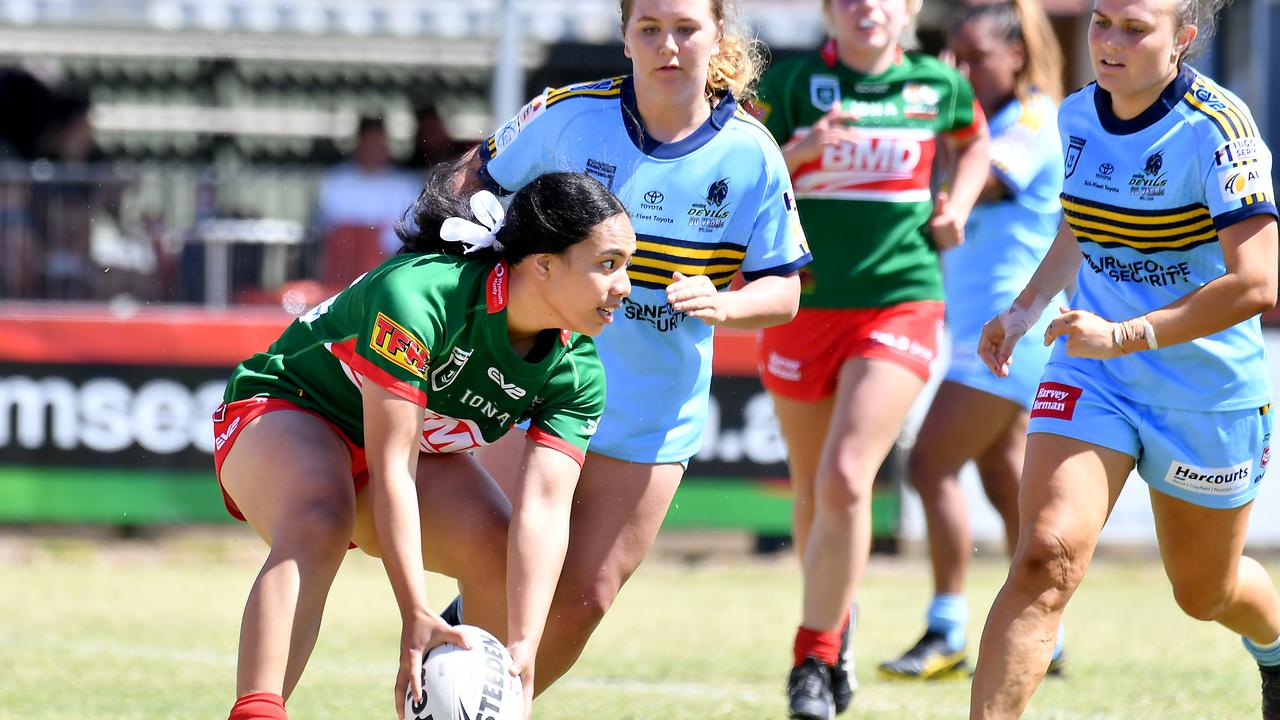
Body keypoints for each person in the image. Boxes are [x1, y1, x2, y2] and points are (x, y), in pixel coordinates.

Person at [441, 0, 811, 698]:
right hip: (534, 383)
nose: (668, 44)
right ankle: (460, 702)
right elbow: (473, 181)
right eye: (649, 28)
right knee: (502, 562)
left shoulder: (752, 153)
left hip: (651, 411)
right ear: (624, 37)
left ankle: (485, 698)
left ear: (716, 35)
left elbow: (784, 292)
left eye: (686, 28)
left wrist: (724, 303)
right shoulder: (568, 115)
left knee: (585, 600)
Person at [214, 167, 635, 720]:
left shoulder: (577, 371)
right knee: (321, 514)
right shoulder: (419, 294)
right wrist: (414, 611)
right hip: (286, 409)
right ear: (545, 264)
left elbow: (545, 509)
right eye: (608, 265)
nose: (624, 286)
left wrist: (526, 644)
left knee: (496, 556)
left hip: (400, 458)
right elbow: (393, 468)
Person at [968, 0, 1280, 715]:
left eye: (1135, 28)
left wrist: (1130, 332)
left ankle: (1277, 648)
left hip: (1205, 393)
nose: (1109, 42)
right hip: (1094, 370)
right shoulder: (1077, 115)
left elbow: (1258, 283)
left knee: (1207, 592)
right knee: (1045, 554)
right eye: (1101, 21)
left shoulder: (1220, 132)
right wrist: (1023, 309)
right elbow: (1081, 224)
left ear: (1183, 40)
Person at [751, 0, 992, 715]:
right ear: (829, 10)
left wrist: (959, 202)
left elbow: (976, 142)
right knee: (811, 489)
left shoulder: (938, 84)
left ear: (911, 8)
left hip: (903, 300)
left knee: (848, 477)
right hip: (802, 302)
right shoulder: (793, 82)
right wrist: (799, 150)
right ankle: (838, 617)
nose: (867, 8)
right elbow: (747, 175)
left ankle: (815, 658)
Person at [879, 0, 1067, 681]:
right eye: (952, 55)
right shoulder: (991, 122)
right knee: (1000, 476)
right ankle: (1051, 626)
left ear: (1016, 55)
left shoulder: (1033, 120)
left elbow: (979, 185)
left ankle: (948, 628)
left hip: (1007, 330)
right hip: (984, 329)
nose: (959, 69)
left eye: (975, 56)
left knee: (929, 466)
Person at [314, 116, 423, 281]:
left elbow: (410, 233)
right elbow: (330, 230)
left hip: (389, 273)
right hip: (342, 276)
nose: (374, 150)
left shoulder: (407, 185)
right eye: (369, 143)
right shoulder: (336, 181)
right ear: (359, 144)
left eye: (379, 143)